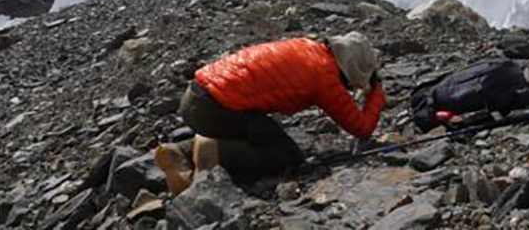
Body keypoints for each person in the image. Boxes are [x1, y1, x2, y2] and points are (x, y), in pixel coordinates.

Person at [154, 31, 385, 195]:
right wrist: (377, 95)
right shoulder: (325, 77)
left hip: (195, 95)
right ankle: (216, 152)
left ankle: (180, 151)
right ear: (351, 68)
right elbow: (362, 128)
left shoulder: (306, 45)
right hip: (215, 109)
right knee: (287, 155)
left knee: (261, 130)